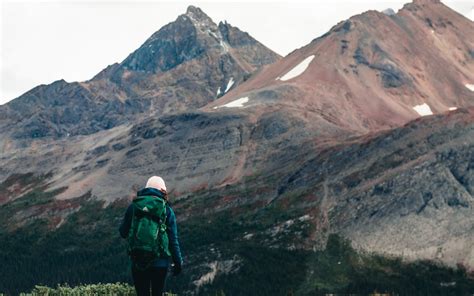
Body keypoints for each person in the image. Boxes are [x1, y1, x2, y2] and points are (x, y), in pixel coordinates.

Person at [119, 176, 183, 296]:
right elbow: (173, 241)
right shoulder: (167, 210)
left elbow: (123, 232)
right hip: (160, 263)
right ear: (163, 191)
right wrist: (178, 263)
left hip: (138, 260)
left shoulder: (134, 207)